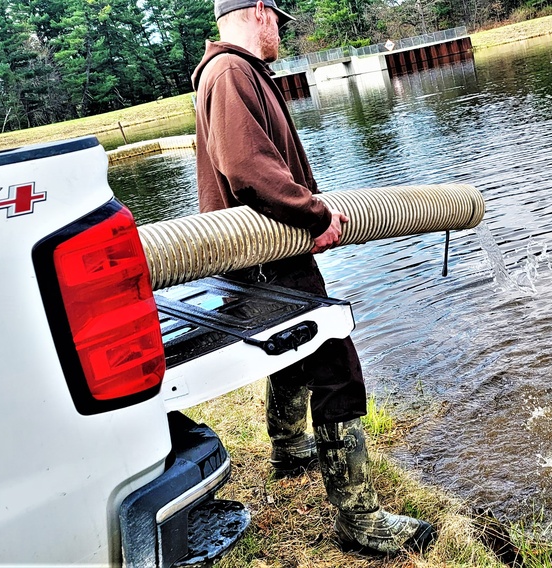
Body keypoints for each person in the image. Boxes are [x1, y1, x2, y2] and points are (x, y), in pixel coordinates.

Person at [190, 0, 436, 556]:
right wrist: (316, 213)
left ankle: (288, 447)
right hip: (268, 252)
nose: (280, 31)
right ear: (259, 12)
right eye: (278, 19)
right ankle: (359, 519)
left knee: (293, 348)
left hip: (265, 250)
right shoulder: (231, 72)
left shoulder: (237, 71)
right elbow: (247, 169)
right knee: (334, 363)